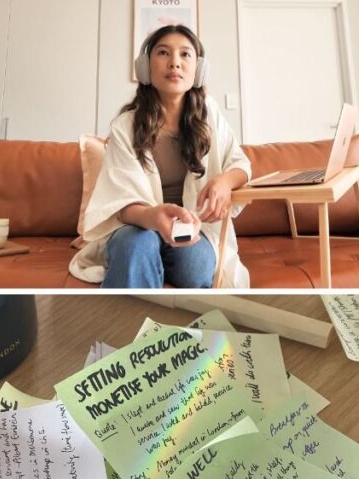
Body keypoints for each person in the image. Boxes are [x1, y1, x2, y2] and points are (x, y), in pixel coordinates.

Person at [69, 25, 251, 288]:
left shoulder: (210, 115)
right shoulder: (125, 126)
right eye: (163, 53)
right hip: (139, 226)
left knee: (195, 266)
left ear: (198, 71)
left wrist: (224, 181)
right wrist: (153, 217)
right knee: (137, 245)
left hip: (192, 227)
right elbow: (121, 204)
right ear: (145, 67)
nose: (174, 63)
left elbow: (241, 165)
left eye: (185, 55)